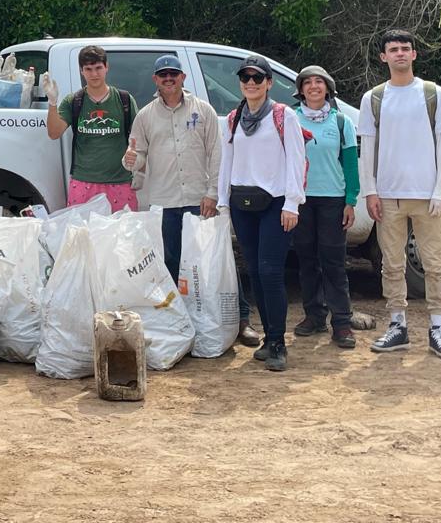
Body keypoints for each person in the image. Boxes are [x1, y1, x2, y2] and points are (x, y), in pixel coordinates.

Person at [122, 55, 261, 348]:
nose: (169, 79)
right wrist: (132, 160)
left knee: (218, 262)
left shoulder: (204, 111)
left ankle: (241, 321)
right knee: (172, 262)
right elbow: (140, 156)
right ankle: (179, 323)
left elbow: (217, 154)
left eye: (174, 74)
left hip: (200, 199)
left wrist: (213, 193)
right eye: (163, 75)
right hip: (166, 200)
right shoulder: (145, 116)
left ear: (182, 77)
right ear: (155, 80)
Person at [358, 29, 441, 359]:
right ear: (383, 57)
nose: (400, 53)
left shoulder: (433, 94)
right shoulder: (374, 98)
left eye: (405, 48)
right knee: (392, 264)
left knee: (434, 264)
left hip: (428, 195)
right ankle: (397, 325)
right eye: (393, 49)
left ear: (414, 54)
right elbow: (367, 148)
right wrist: (370, 192)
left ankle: (438, 327)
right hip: (389, 196)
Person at [216, 55, 307, 372]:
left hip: (275, 204)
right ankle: (268, 341)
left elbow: (296, 160)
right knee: (254, 271)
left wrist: (292, 203)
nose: (251, 83)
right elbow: (226, 162)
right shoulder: (232, 119)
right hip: (243, 204)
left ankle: (278, 342)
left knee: (270, 272)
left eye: (258, 78)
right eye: (246, 78)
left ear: (269, 83)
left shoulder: (284, 117)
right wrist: (222, 202)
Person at [289, 65, 360, 349]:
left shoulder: (341, 122)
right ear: (301, 89)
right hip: (301, 199)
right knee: (306, 260)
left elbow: (351, 165)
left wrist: (351, 200)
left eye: (319, 82)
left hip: (333, 199)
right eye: (308, 83)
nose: (314, 87)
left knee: (333, 262)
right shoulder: (290, 119)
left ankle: (341, 322)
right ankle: (314, 315)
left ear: (328, 89)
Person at [44, 45, 139, 212]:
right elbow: (54, 133)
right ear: (82, 71)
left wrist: (133, 150)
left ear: (106, 67)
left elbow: (139, 135)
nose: (94, 74)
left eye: (98, 68)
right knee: (83, 235)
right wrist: (52, 103)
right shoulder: (74, 101)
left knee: (122, 236)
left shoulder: (124, 99)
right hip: (83, 181)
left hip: (121, 181)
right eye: (88, 69)